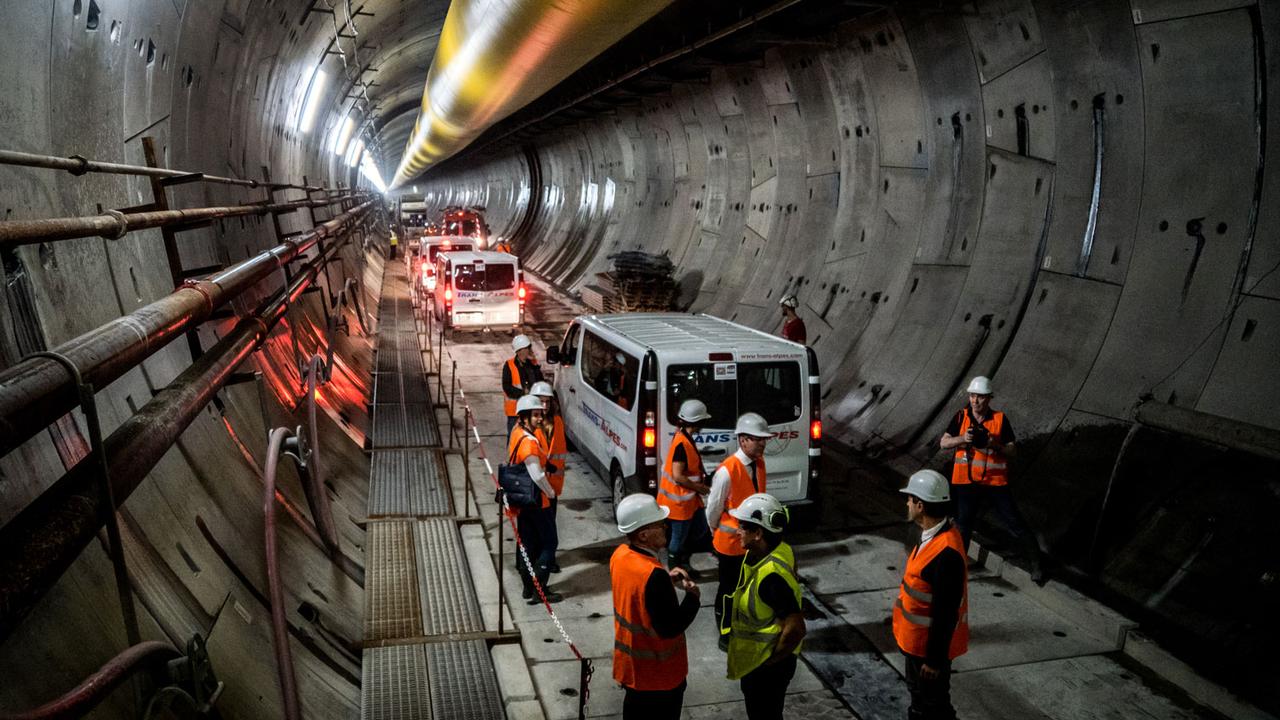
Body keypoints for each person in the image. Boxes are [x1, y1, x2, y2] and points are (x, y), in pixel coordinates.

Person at [940, 376, 1045, 583]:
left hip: (994, 482)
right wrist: (963, 439)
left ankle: (1037, 564)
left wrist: (993, 444)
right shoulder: (961, 417)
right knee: (964, 525)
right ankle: (958, 568)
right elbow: (943, 443)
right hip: (966, 482)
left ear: (989, 398)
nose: (975, 401)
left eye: (980, 397)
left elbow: (1013, 451)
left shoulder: (1000, 419)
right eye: (972, 396)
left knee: (1015, 521)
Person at [610, 494, 700, 719]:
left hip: (632, 671)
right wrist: (693, 598)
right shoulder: (654, 576)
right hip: (659, 678)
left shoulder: (620, 556)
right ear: (643, 534)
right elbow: (670, 627)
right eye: (660, 525)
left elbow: (637, 593)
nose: (666, 528)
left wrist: (665, 581)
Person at [893, 470, 969, 720]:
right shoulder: (932, 536)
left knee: (933, 707)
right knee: (922, 700)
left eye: (910, 498)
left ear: (920, 505)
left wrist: (934, 661)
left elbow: (945, 612)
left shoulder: (945, 553)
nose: (907, 503)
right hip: (916, 644)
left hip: (927, 651)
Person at [725, 493, 805, 720]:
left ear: (758, 533)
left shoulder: (770, 578)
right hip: (762, 664)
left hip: (766, 668)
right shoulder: (779, 549)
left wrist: (771, 662)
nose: (737, 531)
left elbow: (796, 628)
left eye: (743, 527)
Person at [707, 412, 772, 650]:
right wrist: (715, 533)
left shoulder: (760, 463)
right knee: (728, 591)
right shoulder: (727, 471)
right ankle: (725, 633)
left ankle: (743, 625)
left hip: (752, 543)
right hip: (731, 545)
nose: (763, 443)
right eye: (758, 438)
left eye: (764, 439)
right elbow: (712, 509)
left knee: (747, 589)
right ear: (743, 440)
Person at [507, 394, 562, 604]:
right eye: (536, 415)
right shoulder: (529, 443)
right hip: (537, 502)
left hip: (523, 502)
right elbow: (537, 474)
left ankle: (528, 588)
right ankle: (540, 590)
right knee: (549, 543)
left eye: (541, 414)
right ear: (524, 417)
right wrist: (551, 492)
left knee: (527, 544)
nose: (540, 418)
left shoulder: (517, 433)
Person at [658, 399, 714, 573]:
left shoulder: (683, 436)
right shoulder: (682, 443)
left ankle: (683, 561)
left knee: (699, 529)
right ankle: (675, 569)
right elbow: (678, 476)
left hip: (689, 501)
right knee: (679, 538)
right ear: (699, 422)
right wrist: (701, 488)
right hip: (679, 503)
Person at [531, 381, 565, 574]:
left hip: (552, 486)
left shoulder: (557, 422)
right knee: (540, 531)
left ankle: (547, 560)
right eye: (540, 401)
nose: (544, 406)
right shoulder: (531, 426)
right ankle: (540, 564)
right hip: (538, 486)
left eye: (547, 402)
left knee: (550, 525)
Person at [503, 335, 542, 434]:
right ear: (520, 350)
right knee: (514, 437)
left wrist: (536, 365)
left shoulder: (533, 364)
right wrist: (523, 392)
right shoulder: (509, 365)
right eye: (527, 348)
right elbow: (507, 387)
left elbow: (540, 382)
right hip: (515, 412)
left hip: (531, 409)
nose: (530, 350)